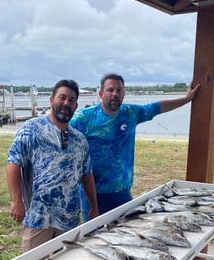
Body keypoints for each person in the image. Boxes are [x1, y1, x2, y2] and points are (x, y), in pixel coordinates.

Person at [70, 73, 201, 221]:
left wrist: (186, 99)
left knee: (126, 231)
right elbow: (62, 135)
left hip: (122, 191)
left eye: (119, 90)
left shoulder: (130, 113)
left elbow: (157, 108)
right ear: (101, 93)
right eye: (110, 90)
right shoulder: (84, 118)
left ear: (124, 94)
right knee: (92, 237)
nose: (115, 94)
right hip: (92, 194)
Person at [7, 79, 99, 251]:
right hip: (38, 218)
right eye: (62, 98)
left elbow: (87, 174)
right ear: (51, 100)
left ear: (76, 105)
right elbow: (14, 163)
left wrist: (94, 207)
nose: (66, 103)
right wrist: (16, 201)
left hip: (69, 219)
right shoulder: (32, 129)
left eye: (71, 100)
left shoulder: (80, 140)